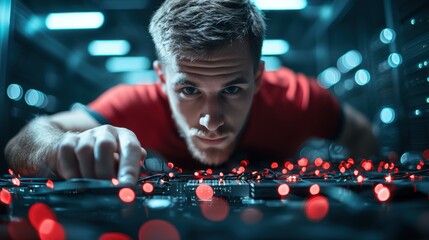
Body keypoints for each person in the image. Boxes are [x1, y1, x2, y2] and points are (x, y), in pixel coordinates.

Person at [4, 0, 378, 184]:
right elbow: (24, 141)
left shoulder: (298, 98)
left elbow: (362, 135)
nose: (211, 120)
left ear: (260, 77)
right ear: (162, 80)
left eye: (232, 89)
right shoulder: (135, 103)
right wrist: (57, 147)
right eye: (188, 90)